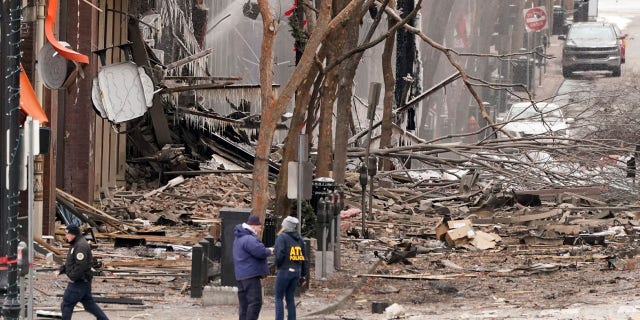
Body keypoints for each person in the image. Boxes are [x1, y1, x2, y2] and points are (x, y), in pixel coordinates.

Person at [56, 224, 109, 320]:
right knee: (89, 304)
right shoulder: (75, 244)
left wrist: (72, 277)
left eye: (67, 234)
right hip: (83, 281)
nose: (65, 236)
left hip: (79, 282)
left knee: (67, 304)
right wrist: (61, 270)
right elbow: (71, 262)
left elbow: (80, 265)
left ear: (72, 234)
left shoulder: (80, 246)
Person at [233, 215, 274, 320]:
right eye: (260, 227)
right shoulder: (249, 238)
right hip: (251, 275)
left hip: (241, 275)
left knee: (244, 304)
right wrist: (270, 251)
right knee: (255, 302)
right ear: (254, 226)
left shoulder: (239, 237)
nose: (260, 230)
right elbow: (260, 252)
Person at [274, 216, 308, 320]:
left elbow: (279, 255)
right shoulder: (300, 240)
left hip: (285, 270)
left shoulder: (282, 238)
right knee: (290, 298)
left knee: (278, 298)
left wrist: (277, 265)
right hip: (296, 272)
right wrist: (303, 275)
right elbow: (304, 258)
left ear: (285, 226)